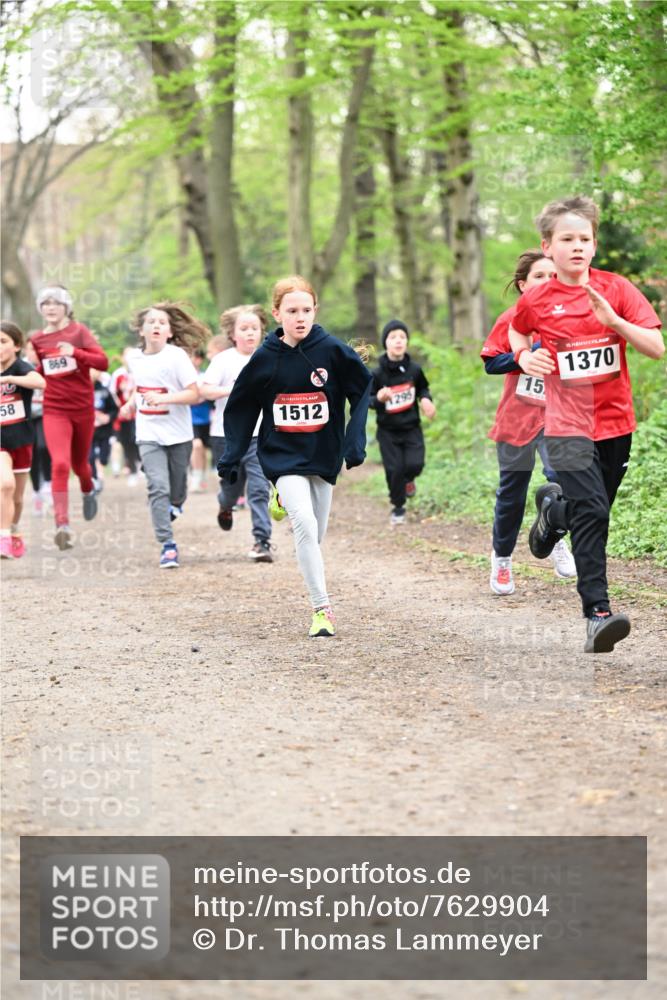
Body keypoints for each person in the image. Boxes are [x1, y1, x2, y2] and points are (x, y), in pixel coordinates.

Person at [509, 195, 664, 652]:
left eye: (585, 239)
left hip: (617, 425)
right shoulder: (537, 299)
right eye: (567, 239)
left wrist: (614, 321)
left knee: (593, 511)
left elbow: (656, 347)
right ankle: (597, 613)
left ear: (594, 245)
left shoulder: (616, 289)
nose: (578, 246)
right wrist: (524, 355)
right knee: (594, 512)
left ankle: (553, 513)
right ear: (548, 246)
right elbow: (517, 330)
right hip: (565, 425)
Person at [218, 275, 372, 636]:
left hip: (324, 453)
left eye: (306, 310)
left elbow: (363, 388)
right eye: (292, 311)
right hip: (282, 456)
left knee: (315, 534)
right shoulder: (266, 357)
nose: (300, 317)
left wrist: (355, 440)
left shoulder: (332, 350)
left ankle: (282, 500)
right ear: (277, 314)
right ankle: (322, 610)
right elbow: (241, 406)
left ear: (315, 311)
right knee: (303, 523)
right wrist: (232, 454)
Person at [481, 250, 576, 595]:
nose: (548, 282)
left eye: (554, 276)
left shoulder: (570, 318)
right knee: (513, 494)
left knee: (565, 481)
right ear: (523, 285)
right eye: (539, 276)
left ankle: (552, 536)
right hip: (518, 419)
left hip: (559, 418)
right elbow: (491, 363)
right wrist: (523, 358)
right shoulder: (510, 318)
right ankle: (502, 560)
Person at [120, 303, 207, 568]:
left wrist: (164, 398)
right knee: (157, 487)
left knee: (177, 490)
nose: (156, 326)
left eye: (162, 322)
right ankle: (168, 545)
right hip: (148, 433)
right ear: (142, 330)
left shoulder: (176, 357)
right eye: (151, 322)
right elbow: (142, 389)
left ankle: (175, 505)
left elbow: (195, 394)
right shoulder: (134, 359)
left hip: (178, 434)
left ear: (169, 332)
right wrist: (131, 404)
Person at [30, 285, 108, 550]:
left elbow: (102, 362)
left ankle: (88, 489)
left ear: (66, 307)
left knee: (80, 466)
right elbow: (44, 370)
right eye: (46, 303)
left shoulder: (79, 332)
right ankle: (62, 524)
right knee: (60, 463)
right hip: (54, 409)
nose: (50, 308)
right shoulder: (38, 340)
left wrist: (75, 352)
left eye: (56, 303)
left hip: (82, 409)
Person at [200, 304, 273, 562]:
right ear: (233, 334)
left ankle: (262, 541)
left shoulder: (270, 357)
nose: (250, 333)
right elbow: (205, 390)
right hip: (226, 435)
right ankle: (225, 504)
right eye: (244, 329)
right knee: (231, 487)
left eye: (255, 328)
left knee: (259, 488)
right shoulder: (223, 360)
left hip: (259, 435)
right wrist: (233, 391)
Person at [370, 319, 436, 525]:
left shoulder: (414, 369)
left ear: (407, 342)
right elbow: (368, 401)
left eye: (402, 337)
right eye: (393, 337)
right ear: (385, 343)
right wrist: (379, 398)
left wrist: (426, 400)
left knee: (415, 464)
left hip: (411, 428)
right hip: (388, 431)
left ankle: (409, 481)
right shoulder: (377, 373)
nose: (398, 341)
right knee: (394, 469)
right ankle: (398, 507)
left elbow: (424, 388)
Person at [0, 321, 46, 558]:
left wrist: (10, 380)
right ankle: (4, 537)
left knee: (17, 498)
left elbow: (40, 382)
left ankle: (13, 529)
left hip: (22, 439)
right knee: (4, 485)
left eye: (3, 342)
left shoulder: (20, 367)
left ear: (16, 346)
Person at [24, 337, 52, 513]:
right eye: (30, 349)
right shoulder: (21, 367)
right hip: (26, 417)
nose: (33, 353)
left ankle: (48, 483)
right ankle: (36, 491)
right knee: (31, 454)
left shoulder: (49, 366)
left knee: (43, 447)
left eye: (37, 349)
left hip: (45, 414)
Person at [110, 347, 140, 486]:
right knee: (126, 442)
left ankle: (140, 466)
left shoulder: (140, 372)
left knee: (138, 440)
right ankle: (132, 469)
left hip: (138, 415)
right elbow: (113, 394)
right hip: (123, 416)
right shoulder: (118, 374)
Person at [189, 348, 213, 493]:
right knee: (196, 446)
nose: (195, 360)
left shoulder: (206, 376)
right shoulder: (184, 378)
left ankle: (202, 476)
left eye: (198, 357)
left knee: (203, 450)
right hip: (190, 419)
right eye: (193, 357)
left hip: (207, 419)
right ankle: (196, 478)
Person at [89, 368, 118, 491]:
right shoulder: (80, 391)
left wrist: (108, 417)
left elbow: (114, 409)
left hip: (104, 431)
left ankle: (100, 471)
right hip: (88, 431)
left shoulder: (105, 391)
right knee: (89, 457)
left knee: (104, 457)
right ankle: (95, 478)